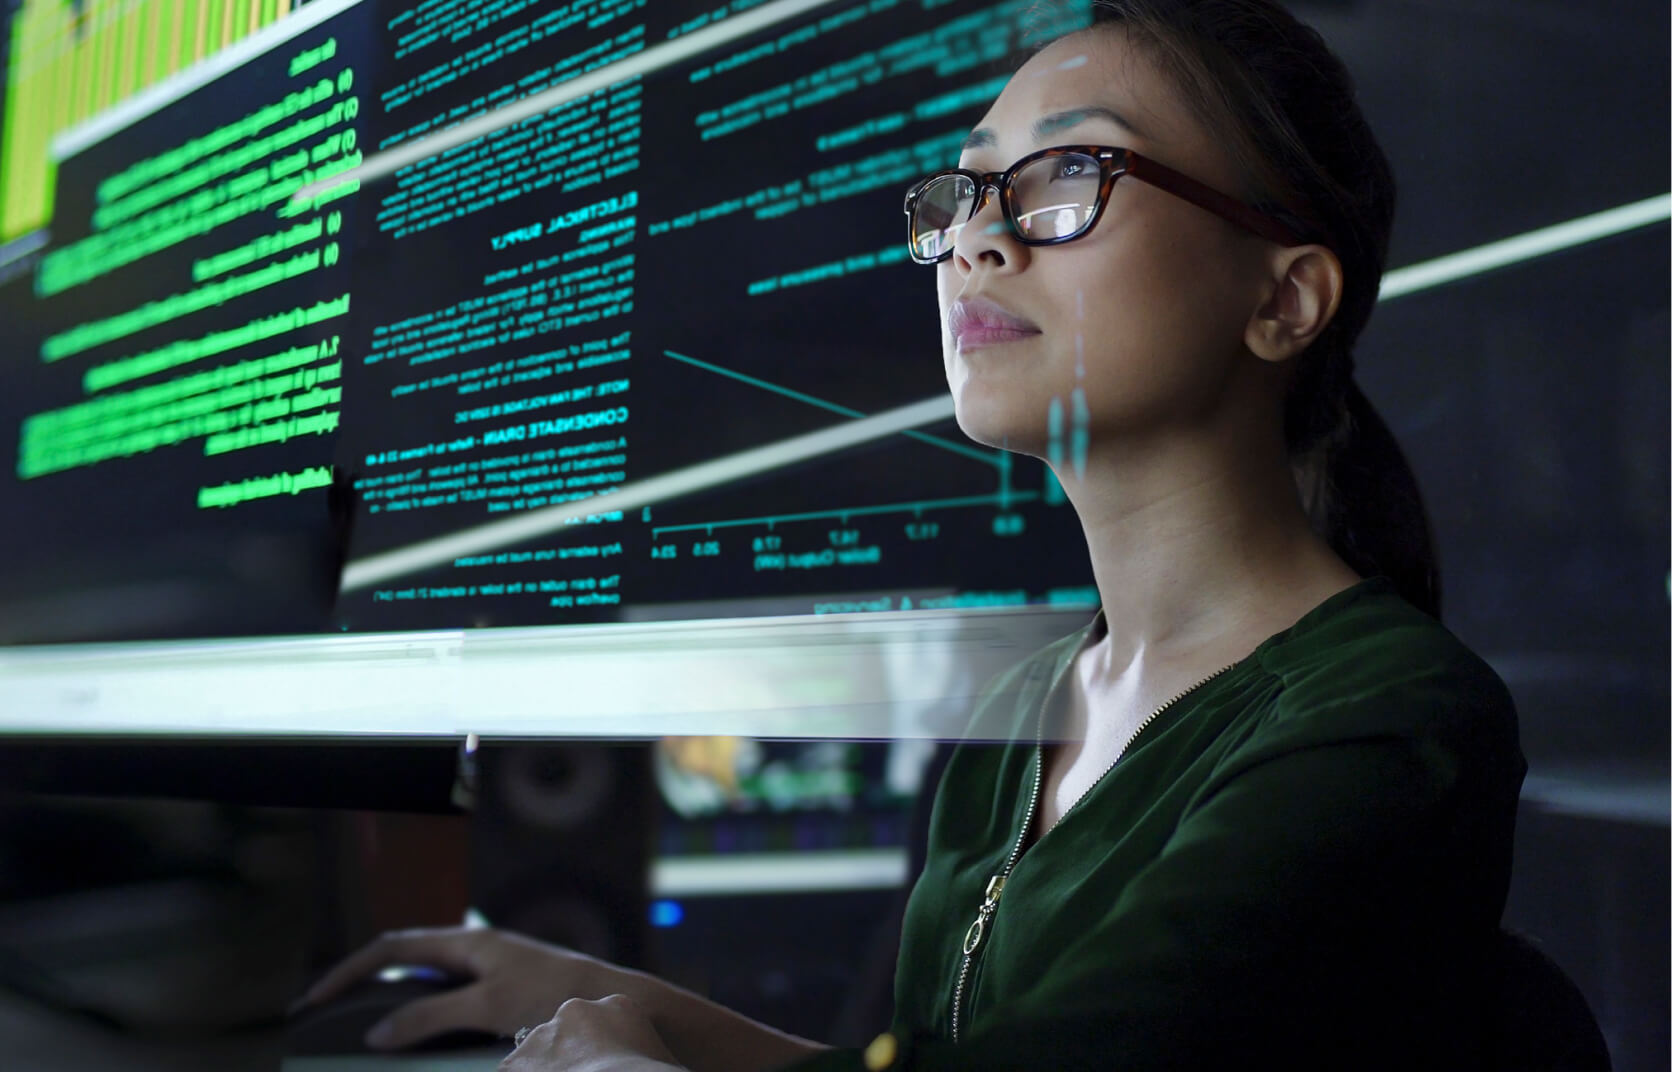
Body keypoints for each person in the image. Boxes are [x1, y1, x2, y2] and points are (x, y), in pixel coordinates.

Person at [294, 2, 1526, 1068]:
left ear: (1283, 298)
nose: (975, 243)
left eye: (1066, 180)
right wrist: (612, 1005)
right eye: (964, 192)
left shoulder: (1389, 715)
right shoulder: (1036, 701)